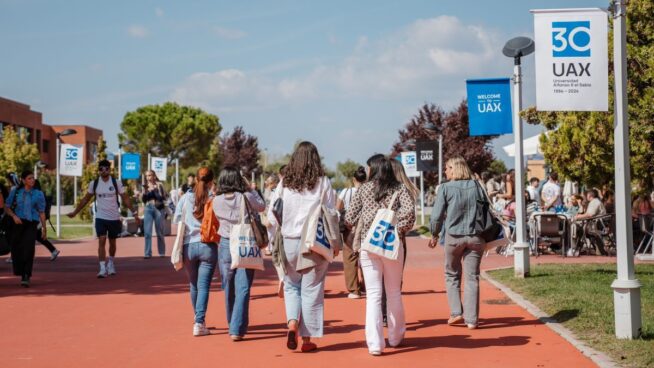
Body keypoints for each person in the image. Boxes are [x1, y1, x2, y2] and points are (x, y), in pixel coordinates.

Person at [267, 141, 338, 353]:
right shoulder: (322, 182)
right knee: (312, 289)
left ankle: (291, 324)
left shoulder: (285, 183)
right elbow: (332, 211)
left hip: (289, 240)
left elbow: (272, 214)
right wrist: (335, 243)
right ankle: (307, 339)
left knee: (291, 285)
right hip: (313, 242)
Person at [346, 156, 415, 356]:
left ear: (374, 169)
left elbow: (350, 217)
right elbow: (409, 214)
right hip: (392, 244)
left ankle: (375, 344)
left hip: (369, 245)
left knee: (374, 295)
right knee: (394, 292)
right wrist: (396, 229)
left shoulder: (364, 189)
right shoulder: (399, 188)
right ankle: (395, 337)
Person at [429, 156, 486, 330]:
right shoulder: (477, 186)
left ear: (454, 169)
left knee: (452, 274)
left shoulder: (445, 188)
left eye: (447, 168)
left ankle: (456, 312)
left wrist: (434, 233)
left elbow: (437, 215)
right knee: (472, 277)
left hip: (454, 236)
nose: (445, 171)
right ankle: (472, 320)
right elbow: (486, 209)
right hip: (476, 236)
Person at [213, 166, 266, 341]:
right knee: (243, 286)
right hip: (244, 240)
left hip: (225, 242)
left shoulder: (216, 200)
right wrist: (250, 188)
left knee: (228, 284)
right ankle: (236, 328)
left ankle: (232, 321)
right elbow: (261, 207)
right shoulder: (246, 197)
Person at [68, 159, 140, 278]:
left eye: (106, 168)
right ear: (99, 170)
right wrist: (75, 212)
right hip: (100, 217)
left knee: (112, 242)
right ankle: (102, 268)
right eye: (101, 169)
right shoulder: (94, 184)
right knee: (101, 240)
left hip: (114, 217)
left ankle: (110, 263)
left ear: (109, 170)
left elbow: (125, 198)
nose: (104, 171)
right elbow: (86, 199)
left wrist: (135, 213)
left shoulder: (116, 183)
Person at [172, 167, 219, 336]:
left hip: (188, 246)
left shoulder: (185, 198)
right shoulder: (213, 199)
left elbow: (176, 219)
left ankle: (198, 319)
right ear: (212, 181)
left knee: (193, 285)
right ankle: (199, 322)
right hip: (207, 245)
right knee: (204, 285)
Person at [4, 171, 46, 287]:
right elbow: (7, 207)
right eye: (29, 178)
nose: (32, 180)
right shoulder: (16, 192)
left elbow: (42, 212)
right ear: (23, 180)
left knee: (29, 248)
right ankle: (20, 271)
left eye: (33, 178)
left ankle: (26, 275)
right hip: (17, 223)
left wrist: (44, 228)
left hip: (31, 224)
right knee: (16, 249)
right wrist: (14, 216)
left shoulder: (38, 194)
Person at [337, 166, 367, 299]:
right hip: (365, 226)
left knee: (350, 257)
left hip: (349, 227)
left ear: (353, 179)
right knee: (366, 256)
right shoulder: (368, 191)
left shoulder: (346, 191)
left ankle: (354, 290)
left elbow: (338, 208)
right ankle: (366, 285)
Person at [142, 170, 168, 259]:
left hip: (158, 208)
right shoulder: (144, 186)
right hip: (148, 208)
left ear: (154, 176)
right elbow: (144, 200)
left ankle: (161, 252)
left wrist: (154, 190)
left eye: (150, 175)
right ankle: (147, 253)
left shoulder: (159, 185)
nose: (148, 177)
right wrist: (145, 191)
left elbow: (162, 197)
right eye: (147, 176)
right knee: (147, 232)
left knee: (159, 232)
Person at [34, 180, 60, 261]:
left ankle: (27, 256)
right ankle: (53, 250)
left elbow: (39, 209)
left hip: (37, 220)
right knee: (38, 237)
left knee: (30, 237)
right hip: (38, 220)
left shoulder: (36, 194)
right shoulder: (39, 193)